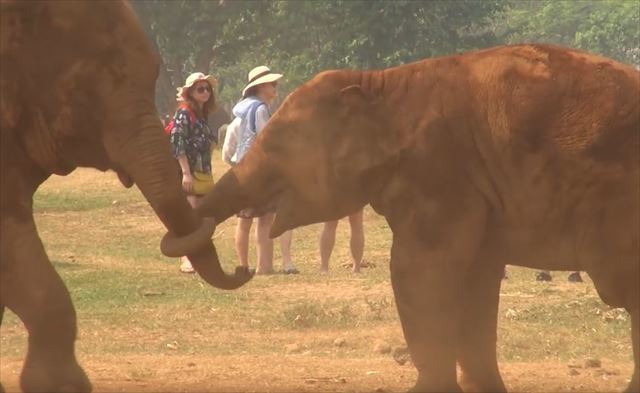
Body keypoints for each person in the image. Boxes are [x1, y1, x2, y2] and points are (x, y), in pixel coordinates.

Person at [231, 66, 298, 275]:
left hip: (242, 168)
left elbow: (231, 143)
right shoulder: (260, 108)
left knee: (244, 220)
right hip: (258, 170)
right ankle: (264, 266)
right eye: (272, 84)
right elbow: (265, 139)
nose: (275, 87)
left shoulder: (242, 108)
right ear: (261, 87)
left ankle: (243, 265)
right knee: (265, 219)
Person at [169, 72, 218, 273]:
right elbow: (177, 143)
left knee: (201, 215)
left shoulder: (201, 114)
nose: (205, 92)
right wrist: (186, 173)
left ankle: (197, 256)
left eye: (207, 88)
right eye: (200, 89)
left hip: (203, 172)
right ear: (190, 92)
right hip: (189, 173)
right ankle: (186, 259)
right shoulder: (184, 113)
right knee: (190, 215)